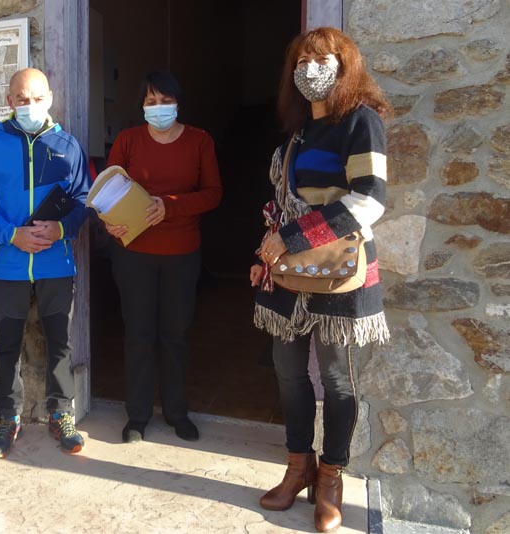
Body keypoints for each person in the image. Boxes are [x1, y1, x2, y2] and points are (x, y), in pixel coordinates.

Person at [250, 27, 392, 533]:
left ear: (344, 63)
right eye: (302, 60)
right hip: (287, 271)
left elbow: (369, 199)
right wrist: (266, 249)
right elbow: (283, 203)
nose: (312, 68)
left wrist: (291, 236)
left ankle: (331, 478)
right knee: (288, 373)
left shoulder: (361, 121)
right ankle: (298, 467)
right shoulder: (296, 134)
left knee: (334, 379)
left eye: (323, 58)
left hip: (341, 270)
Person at [0, 67, 91, 458]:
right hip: (8, 262)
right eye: (22, 99)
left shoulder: (68, 145)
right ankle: (7, 416)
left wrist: (61, 229)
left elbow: (84, 198)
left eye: (37, 98)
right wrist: (11, 234)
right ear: (9, 101)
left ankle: (61, 414)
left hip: (56, 262)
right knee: (7, 343)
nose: (30, 105)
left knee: (60, 342)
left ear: (50, 98)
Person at [103, 71, 222, 444]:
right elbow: (107, 188)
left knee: (175, 335)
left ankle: (176, 412)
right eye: (150, 102)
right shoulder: (128, 140)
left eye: (164, 100)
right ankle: (136, 417)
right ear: (142, 106)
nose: (158, 108)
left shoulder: (200, 141)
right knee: (138, 334)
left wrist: (169, 206)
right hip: (133, 252)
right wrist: (109, 222)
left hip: (181, 253)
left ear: (178, 101)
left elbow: (213, 193)